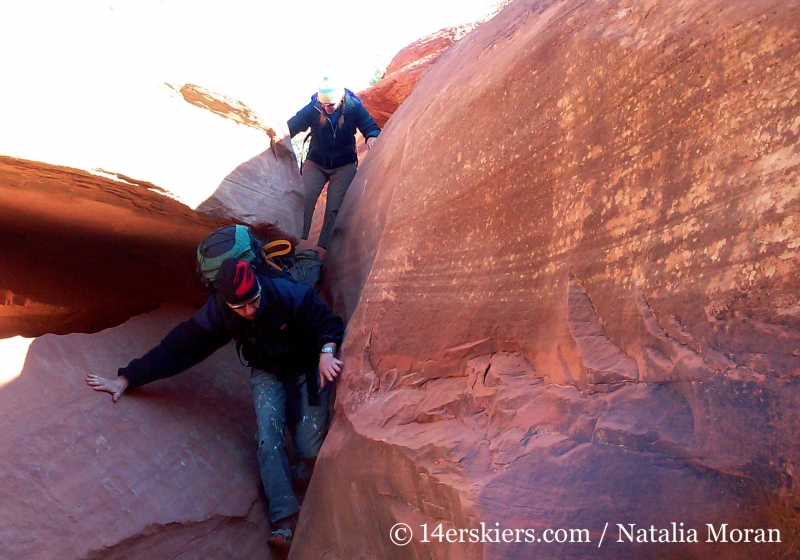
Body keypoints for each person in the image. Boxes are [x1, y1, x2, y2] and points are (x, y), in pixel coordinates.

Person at [86, 258, 345, 549]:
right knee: (268, 439)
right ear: (226, 302)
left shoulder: (287, 292)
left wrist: (327, 350)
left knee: (310, 447)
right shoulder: (221, 310)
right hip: (267, 371)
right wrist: (128, 378)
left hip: (308, 367)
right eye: (242, 307)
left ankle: (299, 471)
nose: (250, 311)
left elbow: (328, 322)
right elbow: (181, 346)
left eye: (254, 301)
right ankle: (284, 519)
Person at [288, 76, 380, 254]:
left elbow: (369, 125)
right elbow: (294, 125)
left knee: (334, 208)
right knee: (304, 199)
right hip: (316, 162)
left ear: (339, 99)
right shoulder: (315, 107)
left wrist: (372, 136)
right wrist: (277, 136)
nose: (326, 108)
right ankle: (293, 244)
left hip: (343, 165)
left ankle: (323, 254)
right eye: (324, 105)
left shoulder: (353, 106)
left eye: (330, 105)